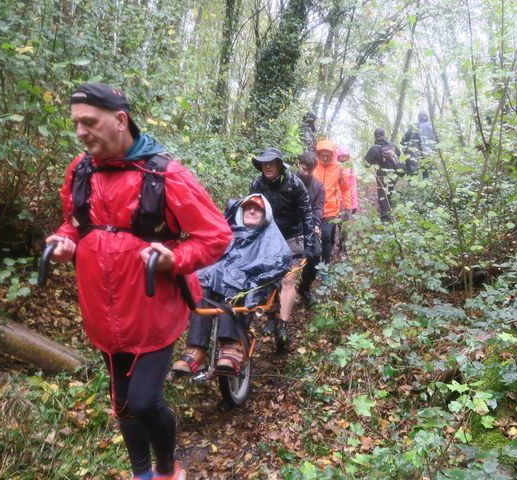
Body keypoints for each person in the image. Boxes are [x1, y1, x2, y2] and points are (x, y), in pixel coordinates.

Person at [45, 83, 232, 480]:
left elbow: (216, 237)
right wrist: (65, 241)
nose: (80, 132)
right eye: (76, 123)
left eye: (89, 122)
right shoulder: (80, 172)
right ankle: (140, 473)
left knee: (144, 401)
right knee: (123, 404)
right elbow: (75, 223)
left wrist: (175, 258)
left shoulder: (166, 174)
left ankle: (167, 470)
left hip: (153, 312)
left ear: (120, 120)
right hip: (101, 312)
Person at [171, 193, 292, 374]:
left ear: (265, 214)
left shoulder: (270, 237)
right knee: (201, 288)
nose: (252, 210)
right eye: (248, 207)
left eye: (257, 209)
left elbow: (276, 262)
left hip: (244, 287)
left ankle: (230, 347)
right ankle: (196, 350)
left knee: (234, 287)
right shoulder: (227, 232)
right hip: (218, 281)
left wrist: (247, 278)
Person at [249, 147, 315, 347]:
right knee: (268, 278)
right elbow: (250, 213)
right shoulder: (256, 185)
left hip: (292, 237)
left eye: (271, 162)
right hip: (266, 238)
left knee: (288, 278)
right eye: (263, 163)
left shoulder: (295, 184)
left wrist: (309, 243)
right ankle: (271, 313)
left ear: (279, 164)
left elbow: (307, 213)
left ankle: (282, 325)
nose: (267, 166)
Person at [314, 140, 351, 264]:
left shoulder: (338, 168)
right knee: (314, 237)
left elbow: (345, 188)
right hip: (314, 208)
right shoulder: (313, 165)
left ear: (332, 155)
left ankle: (324, 266)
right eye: (322, 155)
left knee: (326, 236)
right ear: (318, 154)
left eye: (327, 155)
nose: (325, 158)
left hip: (331, 209)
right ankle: (312, 264)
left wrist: (347, 206)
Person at [295, 152, 324, 308]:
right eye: (303, 169)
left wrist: (316, 224)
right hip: (287, 227)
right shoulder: (287, 181)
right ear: (298, 164)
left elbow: (318, 208)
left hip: (308, 227)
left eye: (309, 171)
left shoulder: (318, 186)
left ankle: (304, 288)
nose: (306, 173)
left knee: (314, 258)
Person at [364, 128, 402, 222]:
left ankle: (386, 220)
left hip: (382, 175)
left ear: (375, 136)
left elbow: (366, 164)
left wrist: (376, 161)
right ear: (384, 134)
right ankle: (389, 213)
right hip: (394, 174)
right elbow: (399, 154)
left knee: (382, 197)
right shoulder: (392, 145)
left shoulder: (374, 148)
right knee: (389, 193)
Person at [336, 146, 358, 256]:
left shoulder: (351, 169)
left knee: (344, 226)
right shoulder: (334, 167)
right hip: (334, 201)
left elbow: (353, 186)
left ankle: (343, 247)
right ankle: (332, 245)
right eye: (342, 156)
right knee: (333, 225)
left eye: (346, 156)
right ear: (338, 156)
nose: (344, 158)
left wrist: (354, 203)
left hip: (346, 201)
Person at [401, 111, 438, 178]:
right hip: (429, 154)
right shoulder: (432, 126)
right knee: (426, 171)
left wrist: (406, 151)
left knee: (413, 174)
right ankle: (426, 185)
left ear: (419, 117)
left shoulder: (414, 126)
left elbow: (403, 141)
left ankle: (412, 186)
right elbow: (437, 141)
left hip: (414, 155)